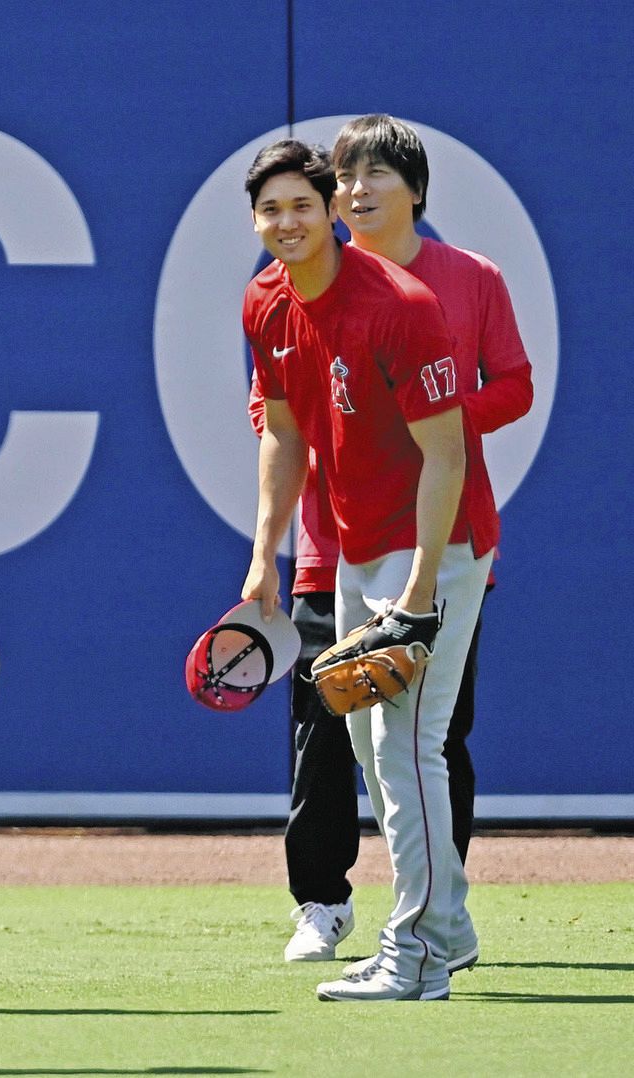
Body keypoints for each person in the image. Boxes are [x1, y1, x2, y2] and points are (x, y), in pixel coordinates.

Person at [246, 114, 532, 966]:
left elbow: (492, 401)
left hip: (436, 539)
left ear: (416, 191)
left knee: (419, 746)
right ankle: (351, 908)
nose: (355, 191)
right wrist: (267, 547)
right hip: (343, 538)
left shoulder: (437, 290)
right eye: (344, 176)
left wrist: (426, 420)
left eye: (372, 176)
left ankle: (423, 940)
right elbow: (283, 420)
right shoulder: (282, 291)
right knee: (356, 740)